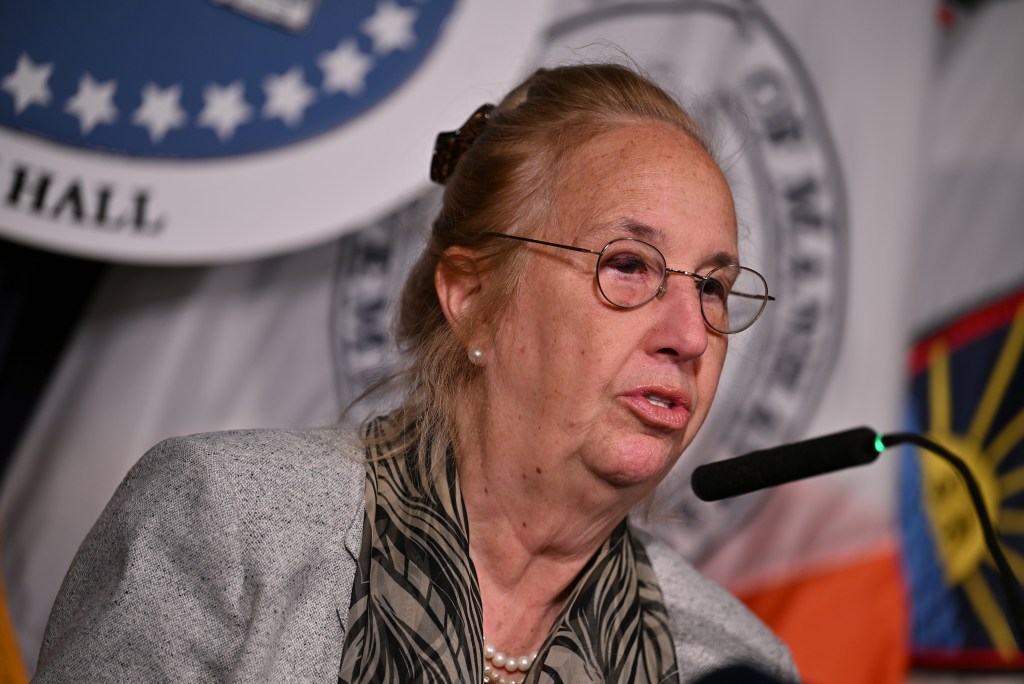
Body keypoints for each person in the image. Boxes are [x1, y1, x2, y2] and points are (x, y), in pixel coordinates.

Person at [33, 63, 796, 683]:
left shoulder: (731, 661)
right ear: (471, 297)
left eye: (713, 287)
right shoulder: (226, 530)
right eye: (629, 266)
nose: (691, 334)